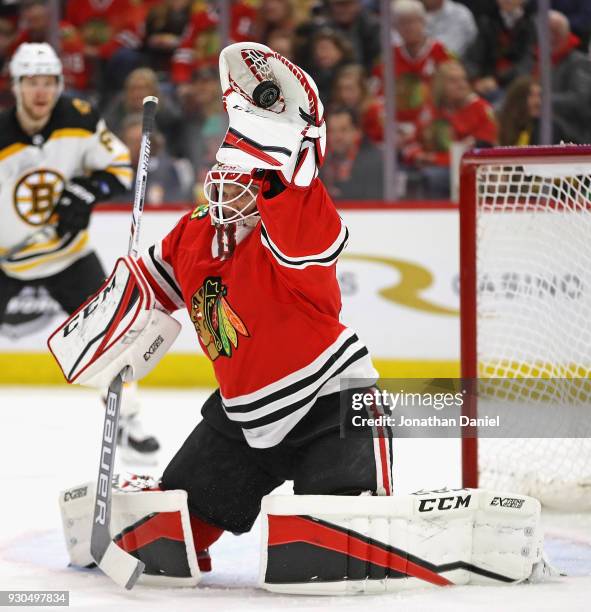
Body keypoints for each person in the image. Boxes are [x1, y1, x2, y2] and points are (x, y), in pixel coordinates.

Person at [0, 42, 159, 458]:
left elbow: (122, 168)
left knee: (113, 332)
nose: (42, 92)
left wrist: (85, 190)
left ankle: (126, 418)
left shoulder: (80, 118)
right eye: (32, 82)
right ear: (16, 86)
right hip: (5, 260)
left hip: (68, 254)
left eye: (49, 82)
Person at [402, 59, 497, 197]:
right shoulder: (430, 109)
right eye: (453, 81)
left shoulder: (481, 109)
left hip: (471, 172)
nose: (462, 85)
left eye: (463, 79)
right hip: (432, 166)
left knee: (431, 177)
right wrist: (417, 155)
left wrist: (435, 159)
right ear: (440, 85)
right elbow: (411, 143)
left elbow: (483, 151)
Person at [321, 107, 384, 200]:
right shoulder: (319, 164)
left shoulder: (376, 162)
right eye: (332, 131)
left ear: (358, 131)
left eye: (344, 130)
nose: (337, 137)